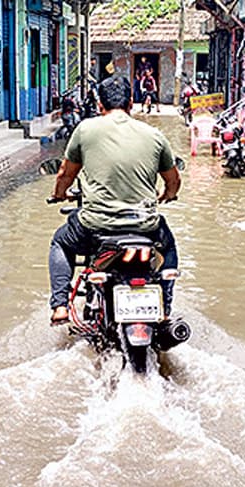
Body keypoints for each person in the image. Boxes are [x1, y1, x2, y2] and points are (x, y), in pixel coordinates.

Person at [48, 76, 181, 325]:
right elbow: (173, 180)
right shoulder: (154, 135)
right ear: (131, 103)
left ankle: (60, 306)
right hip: (145, 227)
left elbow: (65, 174)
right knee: (169, 247)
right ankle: (165, 305)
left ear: (100, 104)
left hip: (95, 227)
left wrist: (59, 194)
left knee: (60, 243)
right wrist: (168, 195)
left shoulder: (85, 129)